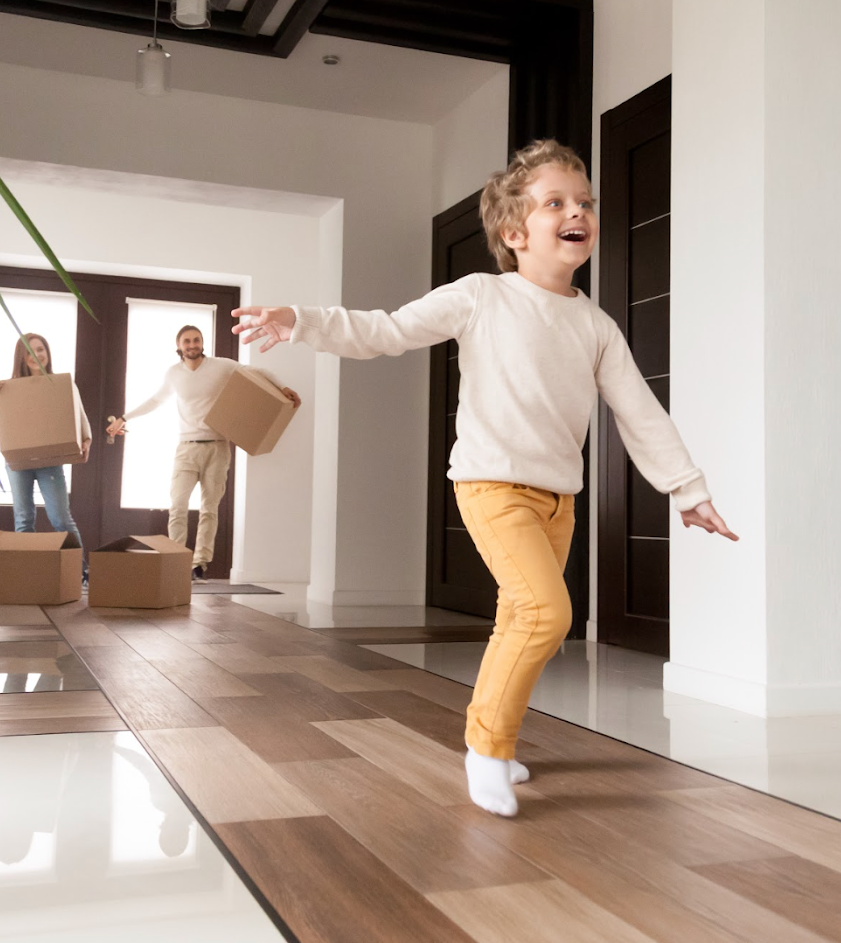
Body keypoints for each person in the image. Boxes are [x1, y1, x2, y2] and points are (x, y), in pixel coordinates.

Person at [231, 140, 737, 818]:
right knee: (546, 612)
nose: (576, 211)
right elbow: (386, 330)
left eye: (583, 202)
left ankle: (493, 736)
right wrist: (302, 322)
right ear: (513, 231)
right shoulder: (480, 297)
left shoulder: (595, 324)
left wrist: (688, 488)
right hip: (491, 487)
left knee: (522, 620)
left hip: (558, 499)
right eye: (555, 201)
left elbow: (639, 410)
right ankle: (487, 745)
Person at [105, 324, 301, 581]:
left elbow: (257, 371)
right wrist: (124, 418)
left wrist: (282, 387)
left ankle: (199, 565)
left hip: (218, 447)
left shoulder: (221, 366)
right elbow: (155, 400)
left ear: (202, 343)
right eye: (187, 341)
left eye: (196, 340)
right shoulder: (174, 374)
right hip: (186, 449)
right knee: (177, 506)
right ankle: (175, 559)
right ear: (179, 347)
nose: (192, 344)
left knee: (210, 509)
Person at [0, 333, 91, 583]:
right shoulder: (10, 387)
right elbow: (1, 409)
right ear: (22, 358)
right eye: (30, 351)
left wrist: (86, 438)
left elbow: (78, 411)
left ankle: (81, 571)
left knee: (60, 517)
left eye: (41, 349)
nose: (37, 355)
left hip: (50, 459)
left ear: (47, 352)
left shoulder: (61, 383)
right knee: (23, 518)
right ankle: (27, 574)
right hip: (18, 461)